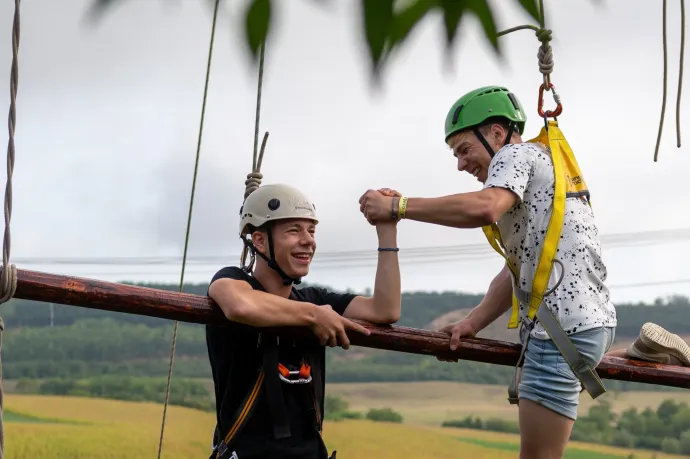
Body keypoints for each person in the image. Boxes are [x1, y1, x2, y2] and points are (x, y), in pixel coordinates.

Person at [358, 85, 618, 459]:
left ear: (496, 132)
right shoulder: (541, 162)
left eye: (464, 150)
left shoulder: (514, 153)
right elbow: (518, 271)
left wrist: (398, 206)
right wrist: (473, 323)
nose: (461, 164)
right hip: (584, 324)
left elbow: (485, 208)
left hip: (559, 332)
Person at [206, 183, 402, 459]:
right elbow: (240, 305)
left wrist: (387, 228)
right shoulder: (233, 280)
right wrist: (313, 315)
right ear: (260, 241)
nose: (308, 240)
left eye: (311, 231)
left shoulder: (314, 298)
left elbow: (385, 310)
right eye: (293, 230)